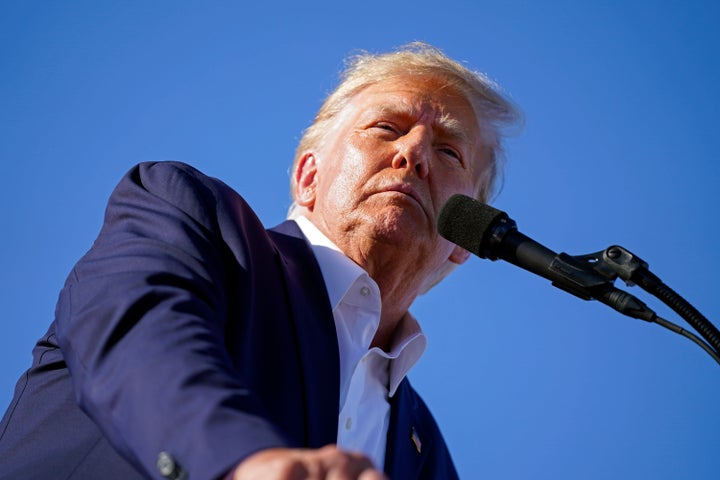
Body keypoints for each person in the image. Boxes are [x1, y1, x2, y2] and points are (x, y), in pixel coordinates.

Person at [0, 42, 519, 479]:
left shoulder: (425, 451)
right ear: (309, 177)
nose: (415, 153)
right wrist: (244, 459)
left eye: (450, 152)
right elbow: (140, 331)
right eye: (386, 127)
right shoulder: (193, 216)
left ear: (464, 240)